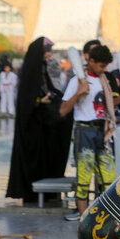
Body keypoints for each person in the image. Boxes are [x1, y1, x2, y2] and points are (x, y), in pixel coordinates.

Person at [60, 45, 120, 220]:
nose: (104, 69)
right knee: (84, 179)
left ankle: (105, 216)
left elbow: (106, 106)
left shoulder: (103, 80)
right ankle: (84, 218)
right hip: (84, 132)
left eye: (106, 66)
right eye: (101, 66)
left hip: (103, 132)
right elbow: (62, 110)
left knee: (108, 178)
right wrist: (78, 92)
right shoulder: (77, 81)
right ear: (90, 61)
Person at [7, 37, 74, 204]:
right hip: (32, 128)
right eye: (47, 52)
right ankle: (32, 194)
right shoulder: (31, 71)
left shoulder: (42, 70)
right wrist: (39, 101)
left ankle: (50, 191)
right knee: (35, 160)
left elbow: (52, 89)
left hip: (44, 124)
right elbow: (26, 100)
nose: (49, 55)